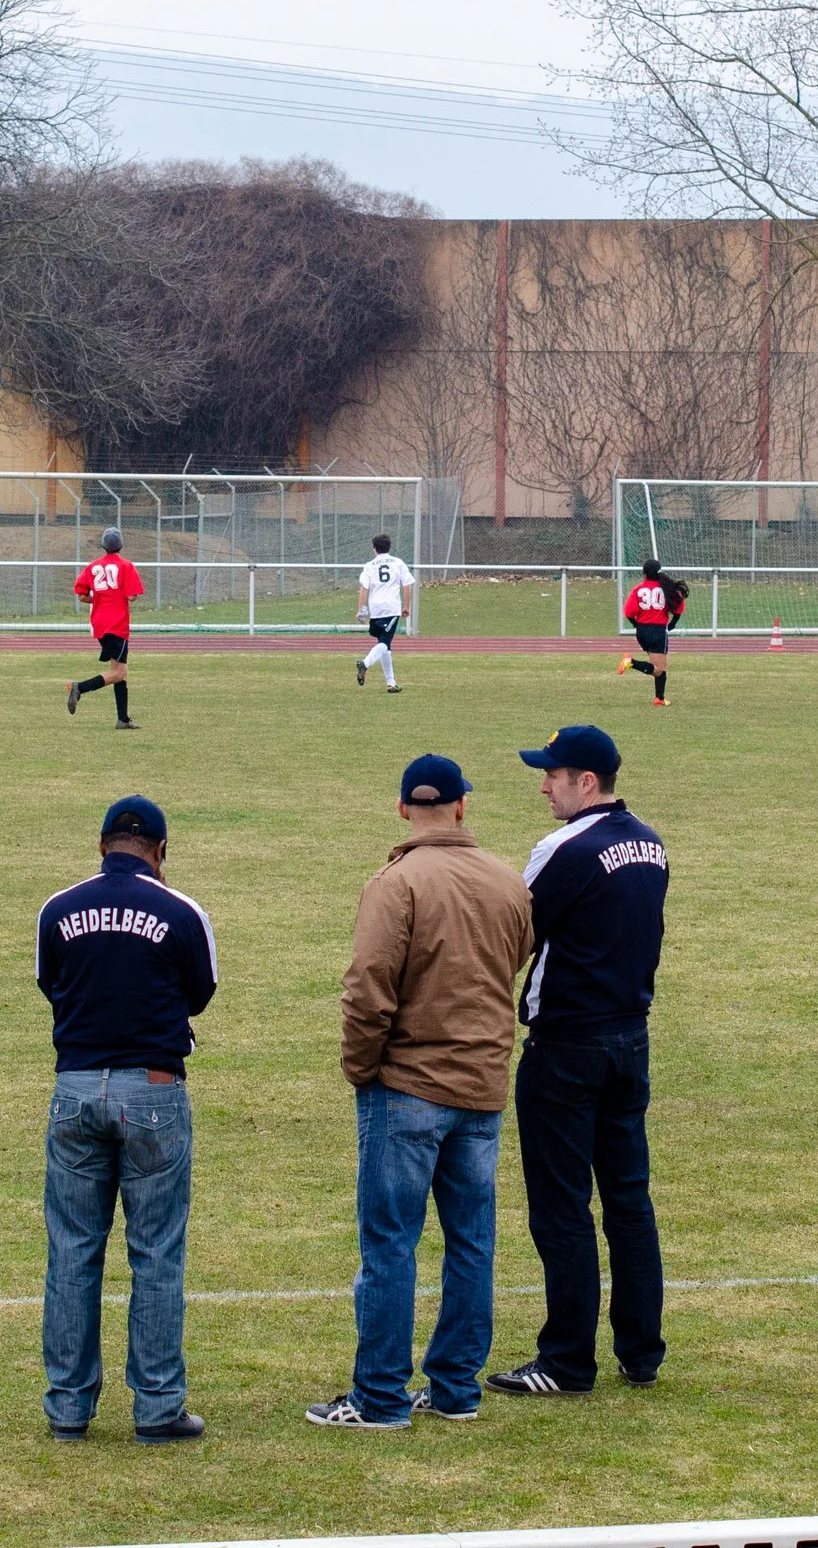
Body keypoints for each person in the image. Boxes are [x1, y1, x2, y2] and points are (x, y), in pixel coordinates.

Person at [307, 754, 534, 1431]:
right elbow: (514, 960)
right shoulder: (507, 883)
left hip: (405, 1084)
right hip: (481, 1084)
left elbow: (368, 986)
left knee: (390, 1245)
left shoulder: (395, 883)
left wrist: (360, 1066)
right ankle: (457, 1387)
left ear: (404, 808)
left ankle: (379, 1396)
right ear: (463, 805)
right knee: (471, 1242)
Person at [489, 725, 670, 1398]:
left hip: (567, 1045)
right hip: (630, 1037)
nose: (543, 785)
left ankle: (566, 1360)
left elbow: (514, 930)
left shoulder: (563, 847)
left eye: (552, 774)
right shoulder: (650, 842)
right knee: (629, 1200)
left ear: (585, 782)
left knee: (562, 1207)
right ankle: (641, 1348)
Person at [36, 795, 218, 1445]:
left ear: (101, 844)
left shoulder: (58, 908)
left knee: (73, 1251)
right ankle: (159, 1405)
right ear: (161, 851)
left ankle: (67, 1407)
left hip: (76, 1088)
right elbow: (200, 991)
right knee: (157, 1253)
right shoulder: (181, 910)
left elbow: (49, 983)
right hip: (154, 1089)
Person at [67, 528, 146, 729]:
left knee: (119, 670)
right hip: (117, 623)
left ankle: (122, 719)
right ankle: (80, 688)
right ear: (121, 545)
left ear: (103, 546)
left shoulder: (93, 567)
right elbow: (132, 596)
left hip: (100, 623)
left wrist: (100, 598)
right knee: (119, 672)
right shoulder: (126, 566)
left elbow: (82, 595)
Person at [616, 559, 687, 706]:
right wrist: (672, 623)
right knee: (659, 669)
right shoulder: (667, 588)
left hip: (642, 632)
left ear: (644, 573)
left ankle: (659, 698)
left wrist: (637, 625)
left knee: (659, 665)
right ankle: (631, 662)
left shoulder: (638, 589)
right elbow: (679, 607)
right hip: (658, 631)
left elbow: (629, 612)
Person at [352, 534, 415, 693]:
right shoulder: (398, 563)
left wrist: (361, 609)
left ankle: (391, 682)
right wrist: (407, 606)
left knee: (385, 645)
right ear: (389, 546)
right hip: (391, 609)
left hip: (376, 610)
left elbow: (363, 588)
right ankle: (365, 664)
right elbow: (407, 586)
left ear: (374, 549)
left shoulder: (369, 565)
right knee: (385, 643)